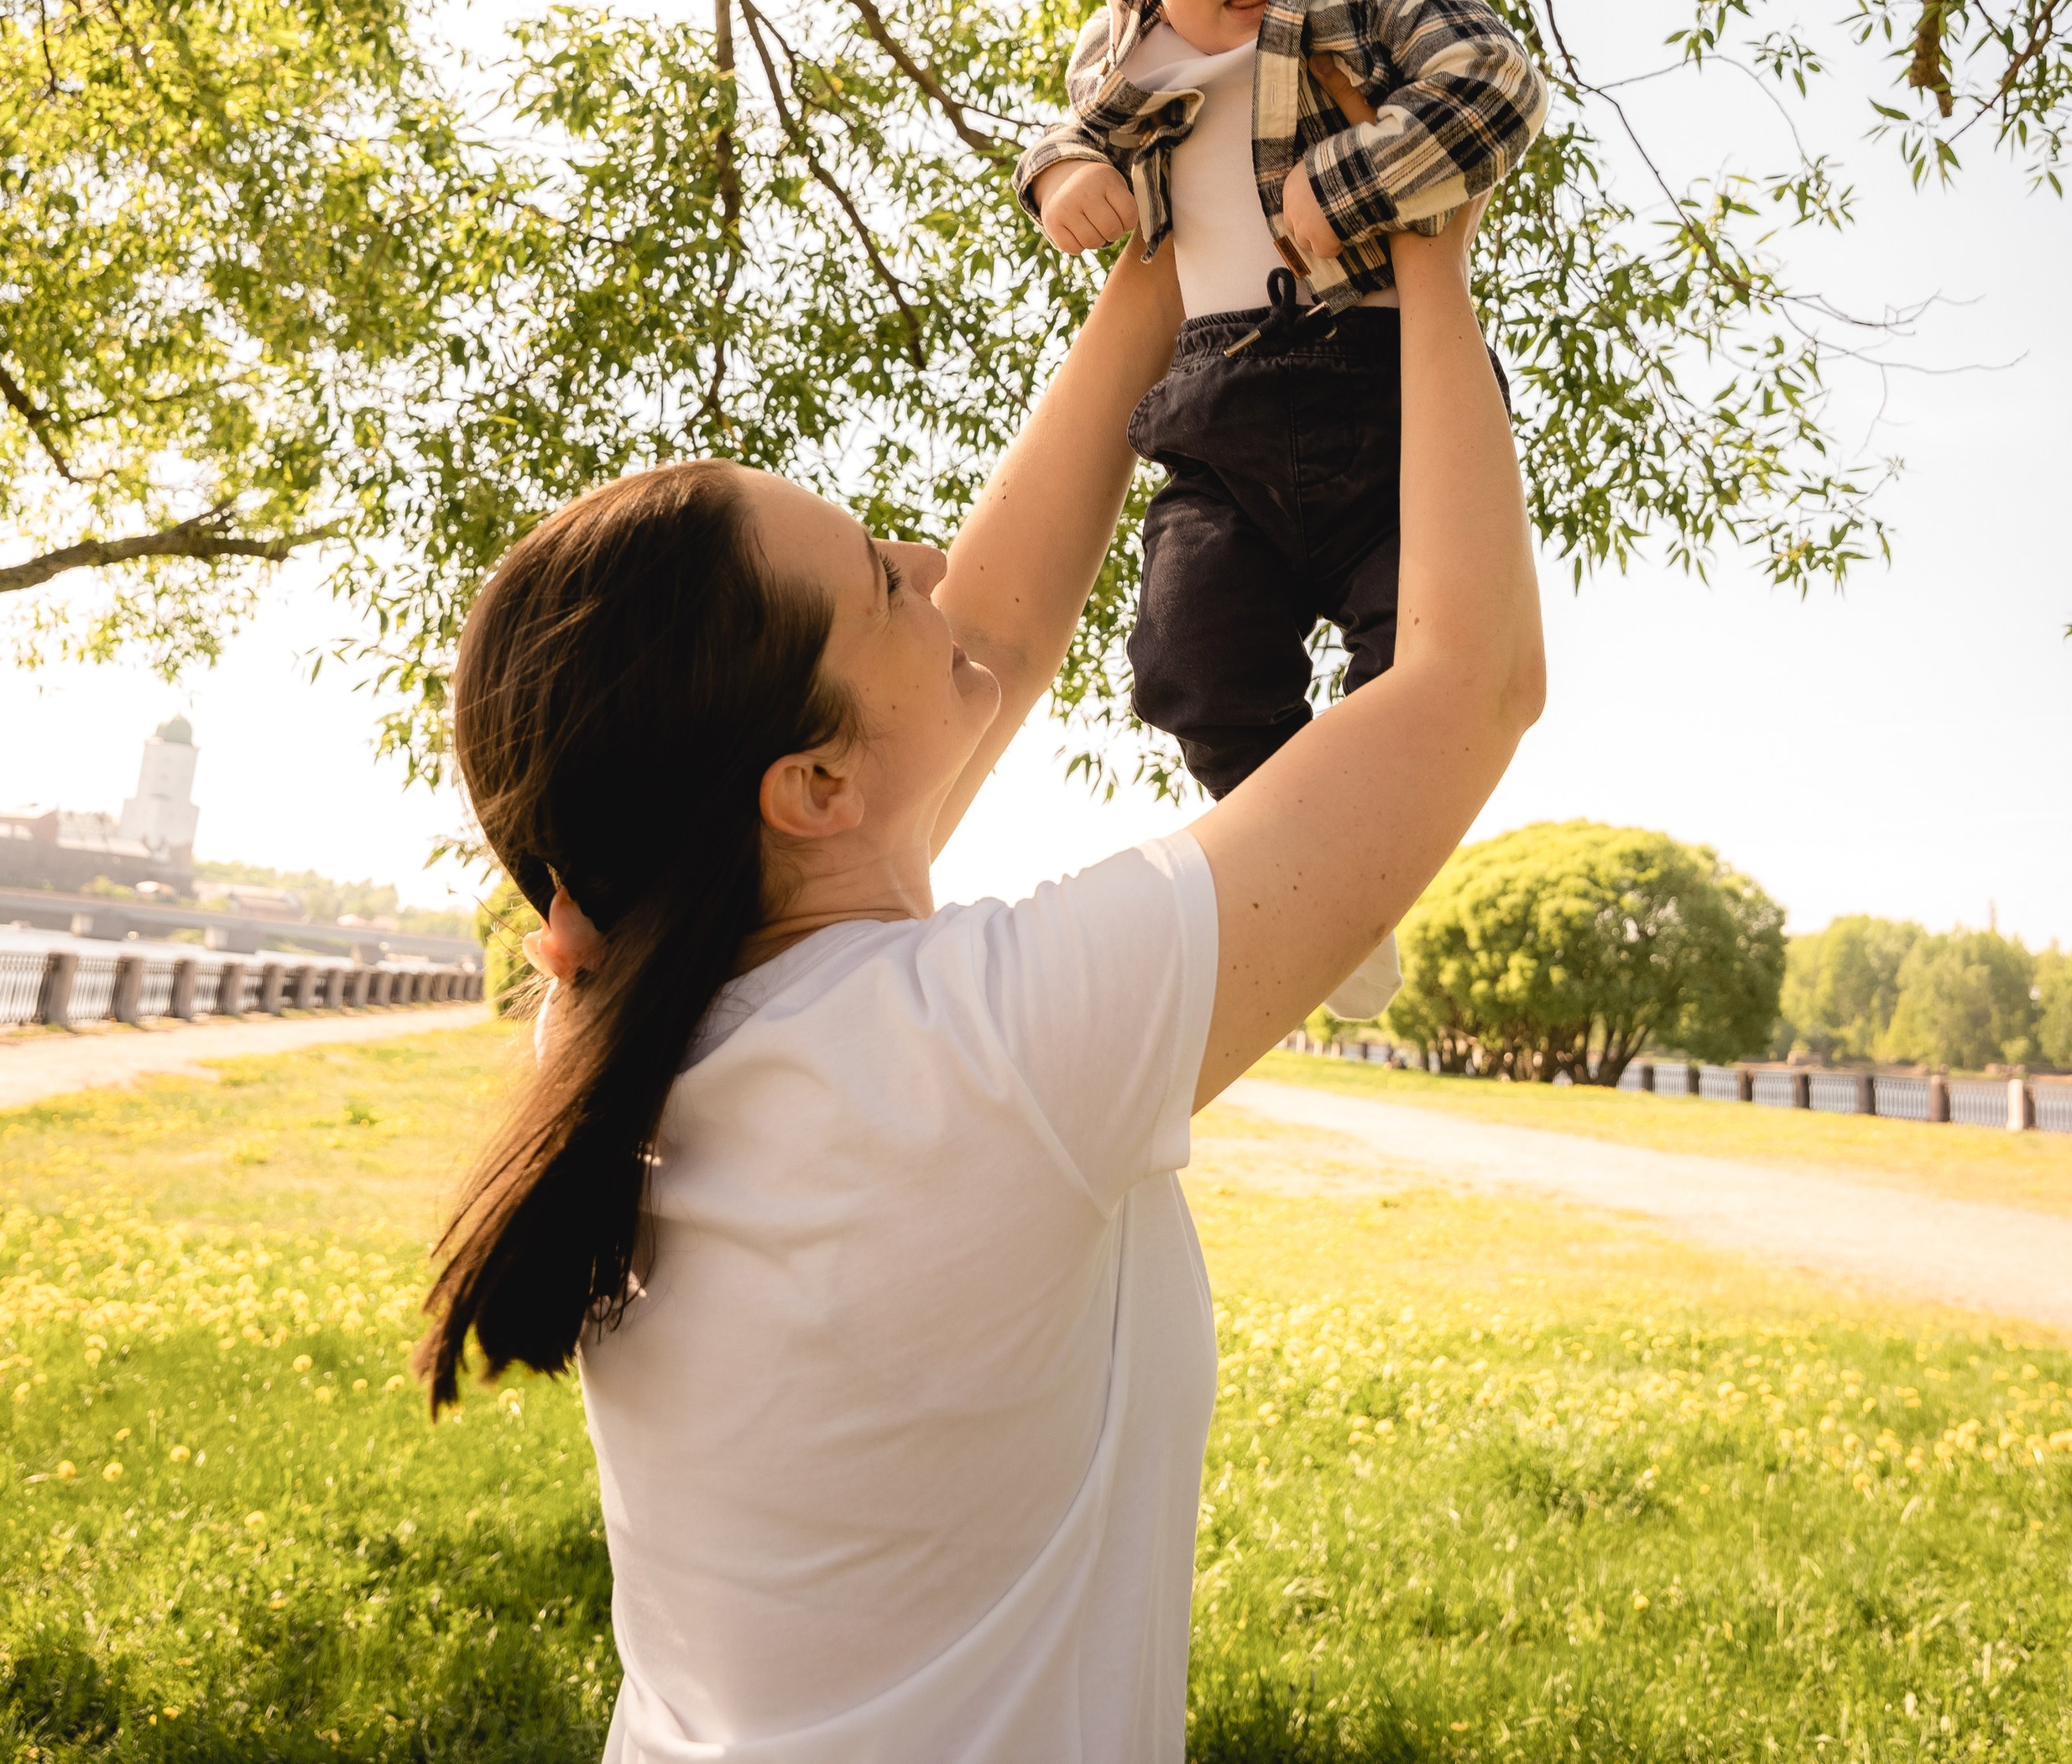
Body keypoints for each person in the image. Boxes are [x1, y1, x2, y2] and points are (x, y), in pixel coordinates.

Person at [422, 190, 1542, 1764]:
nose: (928, 555)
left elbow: (990, 640)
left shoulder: (631, 1034)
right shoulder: (992, 1055)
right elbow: (1467, 681)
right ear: (809, 787)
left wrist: (1179, 244)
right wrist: (1423, 231)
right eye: (882, 579)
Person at [1018, 0, 1545, 1011]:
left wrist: (1356, 178)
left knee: (1409, 654)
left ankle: (1368, 865)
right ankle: (1295, 857)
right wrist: (1070, 185)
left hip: (1381, 392)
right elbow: (1062, 144)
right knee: (1184, 653)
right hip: (1217, 410)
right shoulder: (1133, 50)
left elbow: (1498, 87)